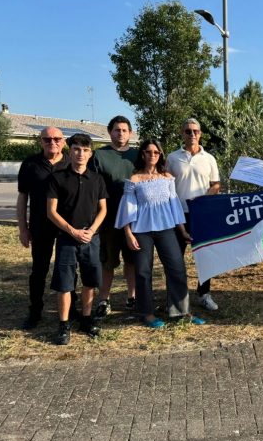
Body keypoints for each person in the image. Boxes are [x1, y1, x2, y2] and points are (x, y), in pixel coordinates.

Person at [115, 139, 204, 328]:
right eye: (148, 152)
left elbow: (175, 206)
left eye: (156, 152)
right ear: (142, 154)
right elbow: (127, 209)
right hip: (141, 232)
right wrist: (128, 234)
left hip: (166, 229)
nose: (152, 155)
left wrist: (182, 231)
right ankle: (146, 313)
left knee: (177, 268)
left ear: (160, 155)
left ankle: (182, 312)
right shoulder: (134, 179)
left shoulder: (167, 177)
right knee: (143, 272)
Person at [46, 134, 108, 345]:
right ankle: (64, 325)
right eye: (76, 149)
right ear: (70, 151)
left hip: (91, 238)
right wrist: (73, 231)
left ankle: (86, 318)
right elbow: (51, 212)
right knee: (64, 283)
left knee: (90, 281)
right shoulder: (58, 178)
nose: (81, 154)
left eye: (85, 150)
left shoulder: (97, 179)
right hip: (67, 239)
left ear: (91, 154)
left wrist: (91, 230)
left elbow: (103, 209)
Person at [17, 127, 71, 329]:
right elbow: (22, 197)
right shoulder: (30, 164)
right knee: (39, 269)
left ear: (63, 142)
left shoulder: (71, 162)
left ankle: (70, 308)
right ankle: (35, 311)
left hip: (67, 226)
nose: (52, 142)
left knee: (68, 268)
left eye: (57, 139)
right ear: (41, 141)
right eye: (47, 139)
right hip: (40, 225)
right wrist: (23, 228)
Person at [166, 118, 221, 311]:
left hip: (201, 215)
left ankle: (204, 294)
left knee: (205, 257)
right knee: (175, 259)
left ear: (200, 134)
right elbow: (166, 184)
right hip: (178, 215)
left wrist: (204, 198)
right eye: (188, 131)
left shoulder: (209, 158)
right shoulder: (172, 158)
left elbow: (216, 184)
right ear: (182, 133)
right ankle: (175, 298)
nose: (192, 134)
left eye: (195, 131)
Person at [90, 116, 138, 318]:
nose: (121, 133)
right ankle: (104, 299)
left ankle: (132, 297)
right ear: (110, 132)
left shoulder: (137, 155)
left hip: (135, 219)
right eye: (117, 130)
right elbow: (92, 186)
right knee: (107, 261)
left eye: (125, 130)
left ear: (130, 133)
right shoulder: (99, 155)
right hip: (108, 219)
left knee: (132, 260)